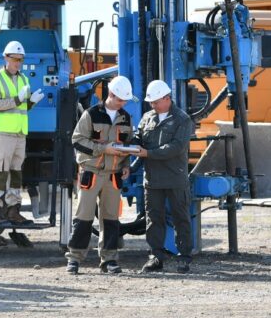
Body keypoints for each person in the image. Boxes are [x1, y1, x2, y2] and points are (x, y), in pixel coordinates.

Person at [65, 76, 135, 275]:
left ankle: (109, 259)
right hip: (91, 172)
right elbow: (77, 140)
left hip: (113, 175)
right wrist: (104, 149)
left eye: (125, 100)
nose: (123, 103)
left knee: (111, 219)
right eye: (120, 99)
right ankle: (74, 258)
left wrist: (126, 165)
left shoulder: (126, 118)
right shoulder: (91, 114)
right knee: (83, 217)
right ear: (111, 94)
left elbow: (127, 145)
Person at [136, 79, 195, 274]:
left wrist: (148, 153)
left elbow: (176, 147)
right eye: (151, 102)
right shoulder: (147, 117)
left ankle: (184, 256)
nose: (153, 105)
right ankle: (156, 257)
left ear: (167, 98)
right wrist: (131, 144)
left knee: (180, 217)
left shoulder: (182, 120)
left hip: (175, 178)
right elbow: (139, 137)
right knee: (153, 219)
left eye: (156, 102)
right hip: (153, 179)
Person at [0, 41, 46, 225]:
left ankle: (13, 210)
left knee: (16, 173)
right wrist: (17, 99)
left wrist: (32, 102)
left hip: (19, 134)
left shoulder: (24, 79)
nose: (18, 63)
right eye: (15, 59)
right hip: (3, 133)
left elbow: (22, 107)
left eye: (20, 60)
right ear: (6, 58)